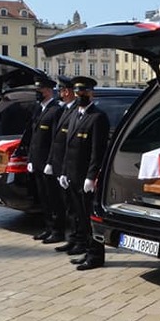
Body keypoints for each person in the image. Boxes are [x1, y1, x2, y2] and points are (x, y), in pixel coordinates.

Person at [58, 76, 110, 271]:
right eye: (78, 92)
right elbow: (68, 147)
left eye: (84, 92)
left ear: (91, 93)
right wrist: (64, 172)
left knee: (90, 219)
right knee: (79, 216)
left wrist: (91, 176)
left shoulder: (98, 117)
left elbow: (98, 151)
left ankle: (96, 255)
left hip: (85, 177)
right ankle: (88, 251)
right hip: (72, 175)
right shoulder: (74, 116)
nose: (81, 96)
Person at [16, 77, 64, 243]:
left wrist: (50, 162)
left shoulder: (56, 110)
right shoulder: (39, 109)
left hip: (48, 163)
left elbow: (55, 140)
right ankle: (48, 227)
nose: (37, 93)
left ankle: (58, 230)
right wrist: (30, 159)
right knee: (43, 197)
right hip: (37, 161)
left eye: (40, 90)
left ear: (49, 91)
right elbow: (33, 136)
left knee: (53, 198)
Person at [48, 76, 79, 249]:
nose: (60, 93)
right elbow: (57, 139)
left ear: (67, 91)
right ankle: (72, 238)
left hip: (70, 166)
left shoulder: (74, 109)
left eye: (61, 90)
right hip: (61, 165)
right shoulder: (66, 109)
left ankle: (76, 239)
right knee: (67, 205)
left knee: (74, 207)